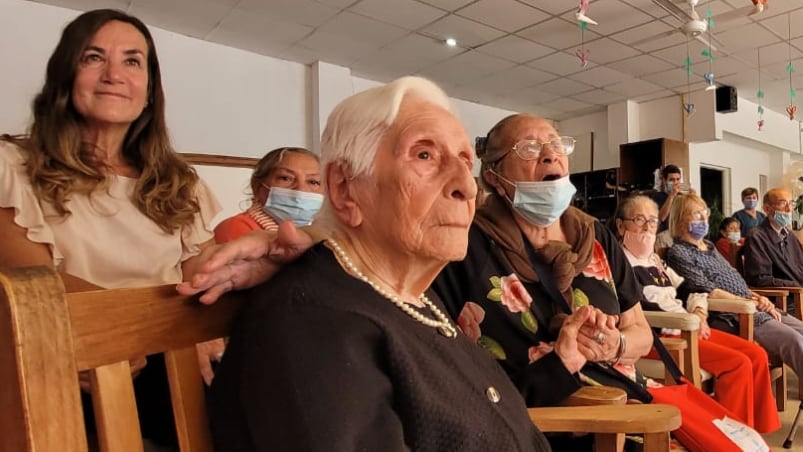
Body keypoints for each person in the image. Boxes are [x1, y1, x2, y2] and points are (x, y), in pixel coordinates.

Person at [207, 76, 555, 451]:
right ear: (344, 189)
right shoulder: (313, 326)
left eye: (464, 161)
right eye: (424, 155)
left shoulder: (411, 297)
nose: (467, 187)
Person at [0, 9, 221, 448]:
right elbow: (34, 287)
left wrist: (205, 332)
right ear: (66, 74)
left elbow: (209, 279)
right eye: (93, 57)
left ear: (149, 88)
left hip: (170, 371)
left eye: (132, 61)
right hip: (58, 361)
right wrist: (142, 333)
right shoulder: (12, 166)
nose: (113, 75)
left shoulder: (184, 184)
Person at [432, 113, 654, 408]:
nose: (551, 155)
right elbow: (447, 379)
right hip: (554, 420)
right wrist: (561, 364)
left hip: (632, 397)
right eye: (529, 148)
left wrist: (616, 345)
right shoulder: (466, 246)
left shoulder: (596, 234)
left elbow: (642, 334)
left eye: (557, 145)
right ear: (493, 177)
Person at [613, 195, 779, 433]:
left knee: (756, 354)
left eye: (652, 221)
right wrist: (687, 323)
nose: (648, 227)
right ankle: (730, 437)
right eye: (639, 220)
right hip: (661, 337)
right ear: (621, 225)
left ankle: (754, 436)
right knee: (738, 363)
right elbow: (636, 308)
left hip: (687, 327)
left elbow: (691, 288)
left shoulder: (655, 260)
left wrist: (699, 312)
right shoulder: (619, 263)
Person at [665, 193, 803, 395]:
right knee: (795, 342)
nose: (704, 219)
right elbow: (707, 290)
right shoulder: (679, 252)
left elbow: (734, 279)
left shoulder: (710, 247)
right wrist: (748, 303)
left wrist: (757, 297)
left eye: (705, 213)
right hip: (734, 313)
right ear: (680, 219)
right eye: (697, 215)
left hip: (750, 304)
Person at [214, 146, 322, 243]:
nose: (301, 189)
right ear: (258, 187)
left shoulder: (320, 235)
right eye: (286, 178)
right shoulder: (236, 228)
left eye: (313, 182)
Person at [743, 187, 803, 289]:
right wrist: (796, 285)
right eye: (783, 203)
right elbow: (760, 279)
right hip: (785, 298)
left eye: (791, 203)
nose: (789, 209)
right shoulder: (756, 237)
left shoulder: (790, 236)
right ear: (767, 209)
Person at [652, 164, 685, 232]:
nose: (675, 183)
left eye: (678, 179)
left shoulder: (682, 197)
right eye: (672, 180)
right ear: (665, 181)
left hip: (680, 232)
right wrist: (671, 195)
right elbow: (661, 218)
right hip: (665, 233)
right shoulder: (657, 196)